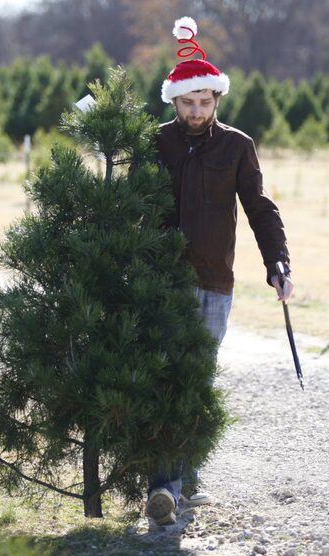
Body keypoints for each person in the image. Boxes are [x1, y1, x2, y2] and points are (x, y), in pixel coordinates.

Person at [145, 16, 294, 526]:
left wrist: (278, 263)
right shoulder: (156, 142)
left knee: (198, 379)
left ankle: (185, 476)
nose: (196, 110)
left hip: (215, 282)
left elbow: (259, 207)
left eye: (204, 101)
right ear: (174, 100)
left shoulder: (236, 146)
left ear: (215, 99)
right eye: (187, 102)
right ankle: (165, 487)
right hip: (162, 281)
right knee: (167, 376)